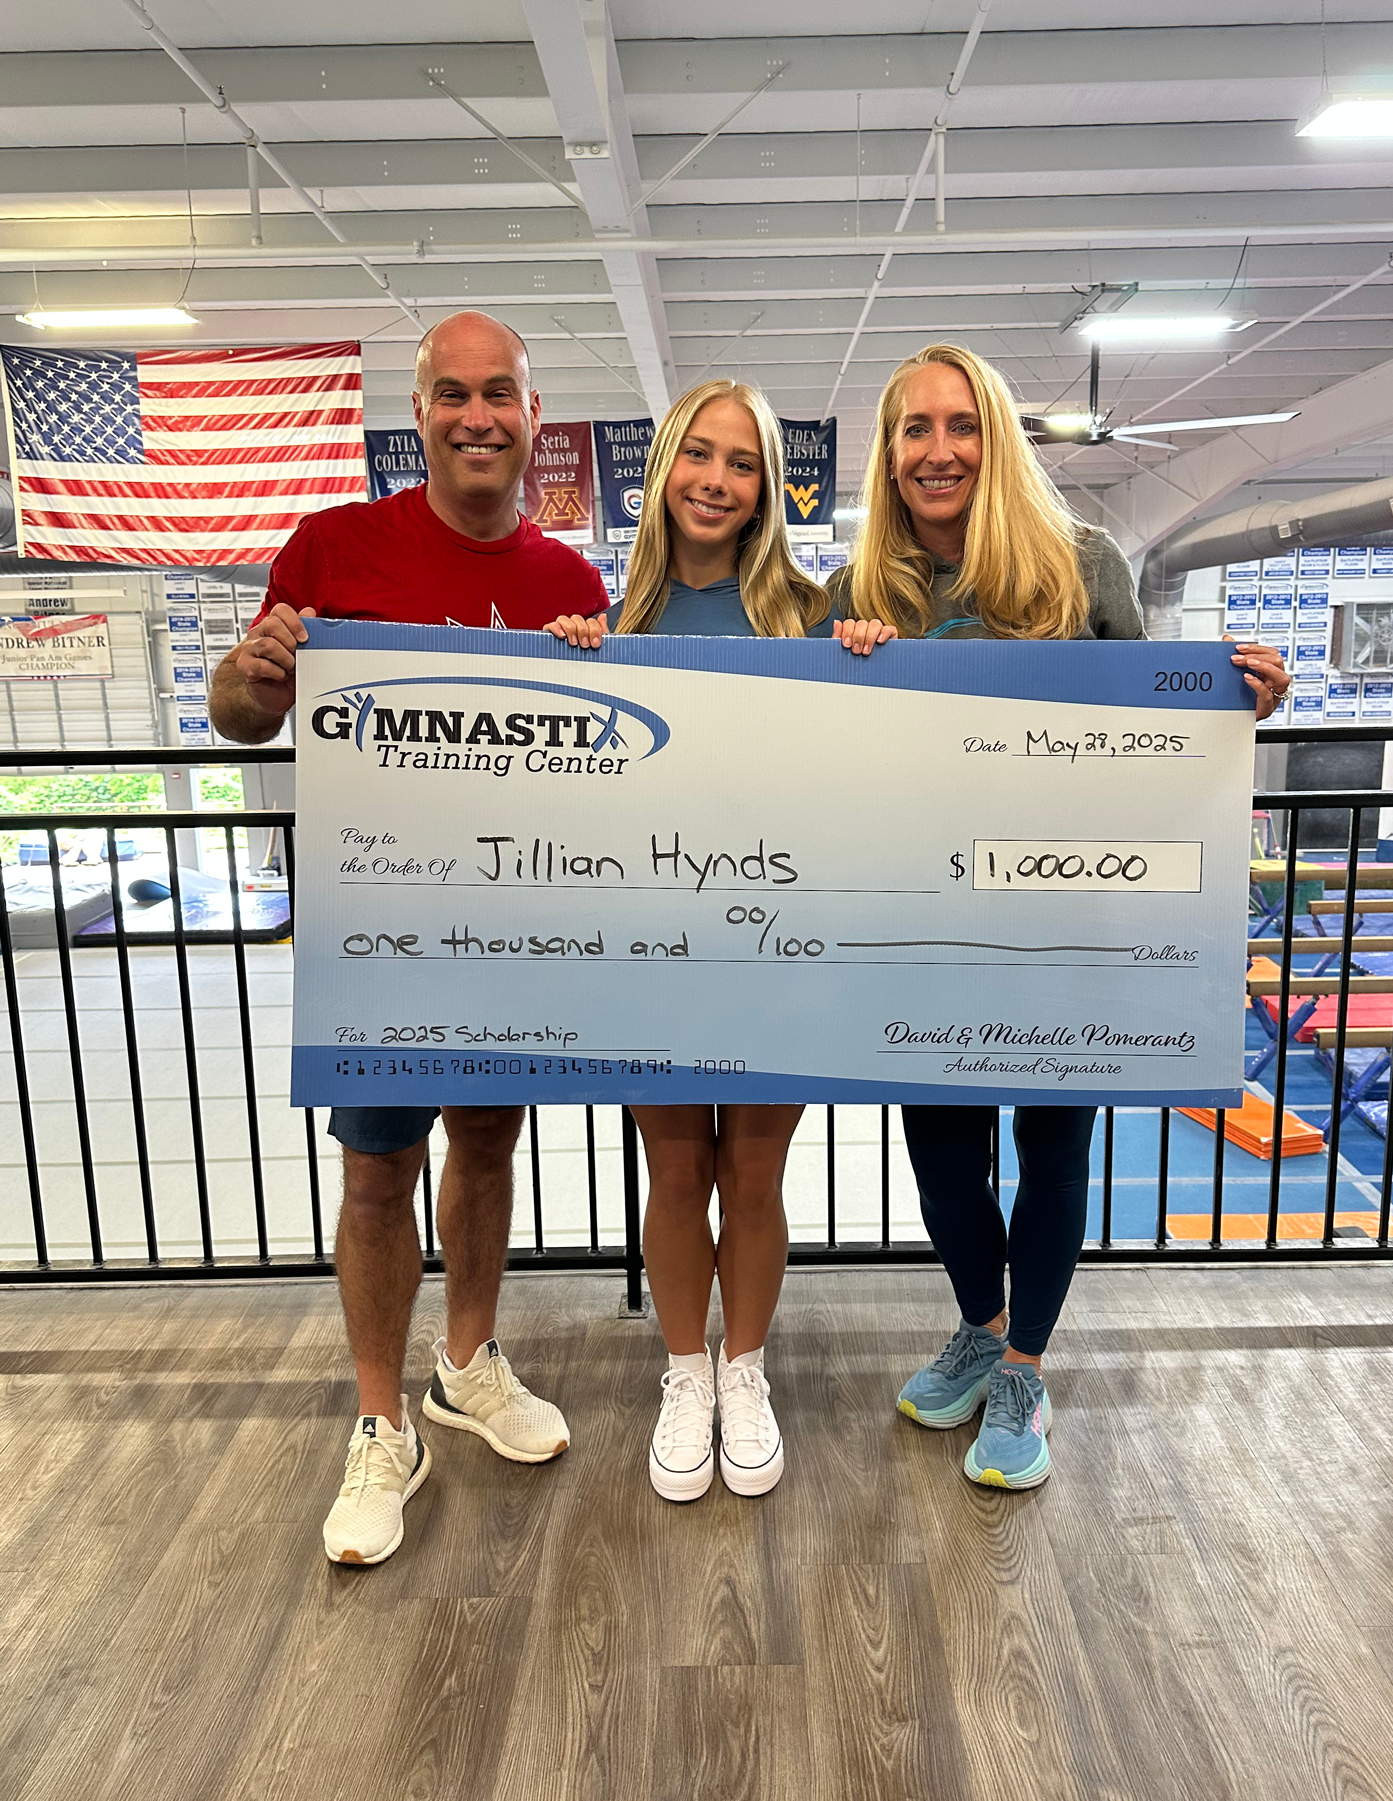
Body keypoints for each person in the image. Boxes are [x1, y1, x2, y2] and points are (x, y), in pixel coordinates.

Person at [828, 342, 1290, 1491]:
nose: (939, 450)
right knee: (939, 1154)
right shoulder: (859, 590)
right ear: (887, 451)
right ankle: (981, 1327)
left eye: (960, 424)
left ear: (993, 436)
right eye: (914, 428)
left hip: (1067, 916)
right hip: (923, 922)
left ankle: (1023, 1367)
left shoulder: (1078, 563)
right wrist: (843, 663)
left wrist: (1238, 704)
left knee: (1052, 1144)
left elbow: (1153, 731)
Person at [210, 311, 608, 1565]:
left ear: (533, 417)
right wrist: (254, 668)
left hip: (511, 929)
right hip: (379, 930)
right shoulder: (331, 547)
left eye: (499, 395)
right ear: (419, 412)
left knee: (486, 1142)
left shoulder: (570, 583)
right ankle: (381, 1423)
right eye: (452, 394)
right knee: (377, 1171)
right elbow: (238, 718)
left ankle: (467, 1365)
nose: (475, 417)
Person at [549, 378, 890, 1503]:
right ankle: (683, 1371)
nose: (716, 479)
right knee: (676, 1166)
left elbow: (870, 755)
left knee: (751, 1170)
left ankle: (744, 1370)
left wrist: (868, 654)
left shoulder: (813, 612)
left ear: (767, 487)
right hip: (651, 940)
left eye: (742, 462)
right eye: (698, 455)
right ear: (662, 473)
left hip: (775, 940)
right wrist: (564, 665)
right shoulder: (615, 621)